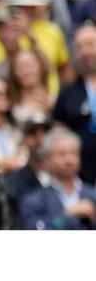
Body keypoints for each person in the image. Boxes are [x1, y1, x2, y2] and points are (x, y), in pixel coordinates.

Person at [19, 129, 96, 229]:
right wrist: (67, 216)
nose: (69, 160)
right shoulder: (34, 201)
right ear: (47, 160)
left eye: (74, 153)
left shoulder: (92, 195)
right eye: (61, 154)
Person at [52, 23, 96, 185]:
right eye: (79, 47)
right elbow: (58, 129)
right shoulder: (67, 92)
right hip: (81, 177)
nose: (85, 52)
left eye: (90, 44)